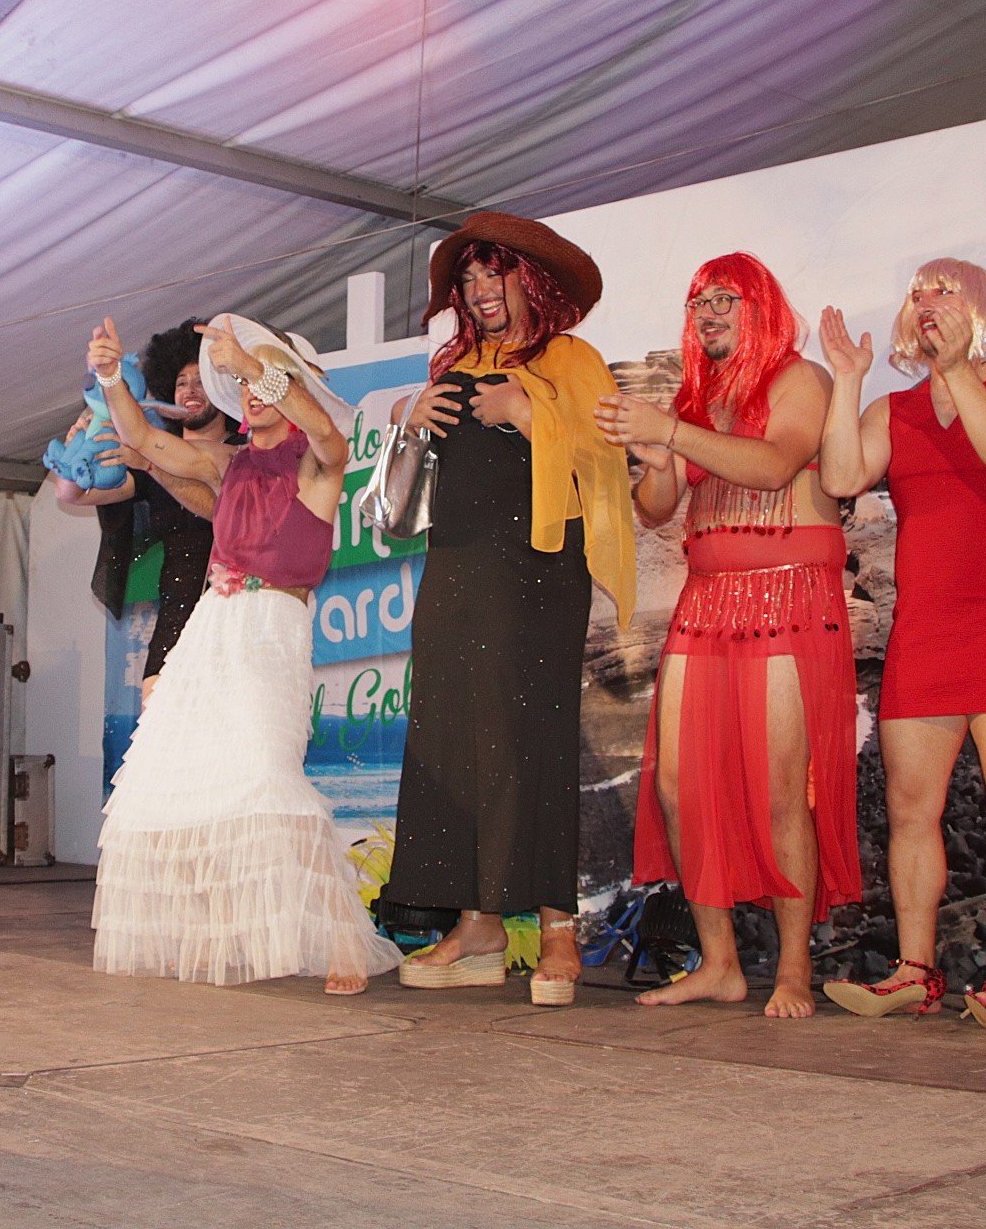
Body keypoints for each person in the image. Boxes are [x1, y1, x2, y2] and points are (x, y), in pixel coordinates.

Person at [84, 315, 401, 994]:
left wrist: (255, 364)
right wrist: (110, 376)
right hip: (211, 629)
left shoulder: (318, 459)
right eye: (244, 383)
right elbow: (142, 438)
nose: (251, 392)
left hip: (272, 629)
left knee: (268, 778)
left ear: (288, 385)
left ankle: (342, 940)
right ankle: (212, 932)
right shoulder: (227, 464)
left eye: (263, 380)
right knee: (166, 779)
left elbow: (326, 432)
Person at [381, 213, 636, 1007]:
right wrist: (407, 414)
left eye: (496, 274)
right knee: (454, 735)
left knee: (533, 738)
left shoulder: (571, 359)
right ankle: (478, 923)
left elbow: (609, 463)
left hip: (537, 570)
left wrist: (530, 414)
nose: (481, 291)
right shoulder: (453, 364)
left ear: (533, 281)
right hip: (454, 566)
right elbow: (411, 482)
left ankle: (558, 927)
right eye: (468, 279)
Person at [595, 253, 858, 1018]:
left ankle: (795, 969)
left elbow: (776, 466)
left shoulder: (799, 379)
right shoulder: (698, 397)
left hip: (787, 593)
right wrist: (656, 459)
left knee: (780, 790)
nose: (708, 313)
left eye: (725, 300)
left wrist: (672, 430)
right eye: (698, 302)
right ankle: (721, 964)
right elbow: (656, 508)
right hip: (706, 601)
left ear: (762, 307)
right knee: (677, 785)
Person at [818, 260, 986, 1030]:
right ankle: (914, 973)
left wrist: (957, 371)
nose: (927, 302)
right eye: (917, 292)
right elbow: (840, 476)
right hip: (923, 631)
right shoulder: (896, 409)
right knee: (910, 810)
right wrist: (847, 380)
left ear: (981, 306)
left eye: (944, 289)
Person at [51, 321, 238, 703]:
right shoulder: (148, 455)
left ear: (223, 389)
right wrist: (74, 453)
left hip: (234, 616)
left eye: (201, 380)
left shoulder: (240, 452)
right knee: (156, 722)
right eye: (181, 382)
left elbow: (216, 506)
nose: (189, 390)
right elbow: (71, 495)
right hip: (176, 617)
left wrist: (150, 456)